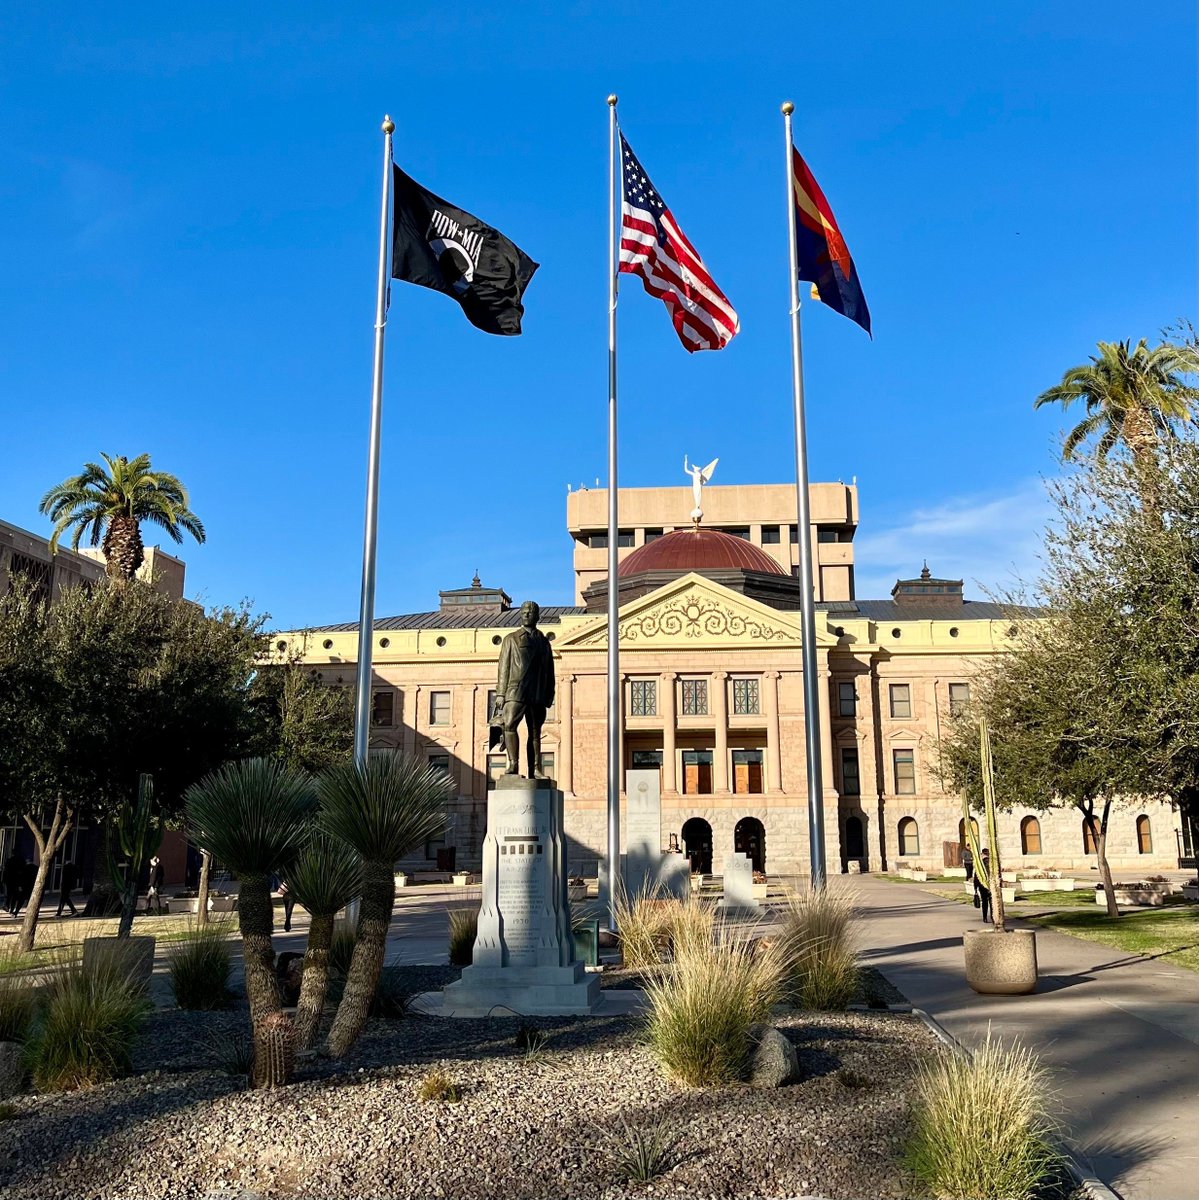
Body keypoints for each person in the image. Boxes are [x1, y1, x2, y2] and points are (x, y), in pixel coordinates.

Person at [494, 600, 556, 778]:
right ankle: (513, 764)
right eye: (524, 611)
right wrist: (500, 694)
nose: (527, 614)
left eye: (531, 611)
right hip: (516, 691)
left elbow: (549, 670)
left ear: (537, 616)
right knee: (510, 725)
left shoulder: (544, 642)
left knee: (535, 732)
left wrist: (549, 693)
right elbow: (503, 668)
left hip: (536, 692)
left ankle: (535, 769)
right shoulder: (511, 639)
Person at [973, 849, 993, 923]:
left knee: (985, 902)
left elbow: (976, 877)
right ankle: (991, 916)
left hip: (983, 886)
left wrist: (975, 888)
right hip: (988, 886)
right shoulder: (991, 868)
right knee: (990, 902)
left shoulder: (980, 869)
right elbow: (976, 877)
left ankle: (986, 917)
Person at [2, 851, 21, 915]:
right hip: (16, 881)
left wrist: (4, 880)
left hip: (9, 880)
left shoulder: (9, 861)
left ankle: (7, 906)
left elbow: (5, 871)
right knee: (14, 896)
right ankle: (12, 909)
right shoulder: (20, 861)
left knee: (9, 895)